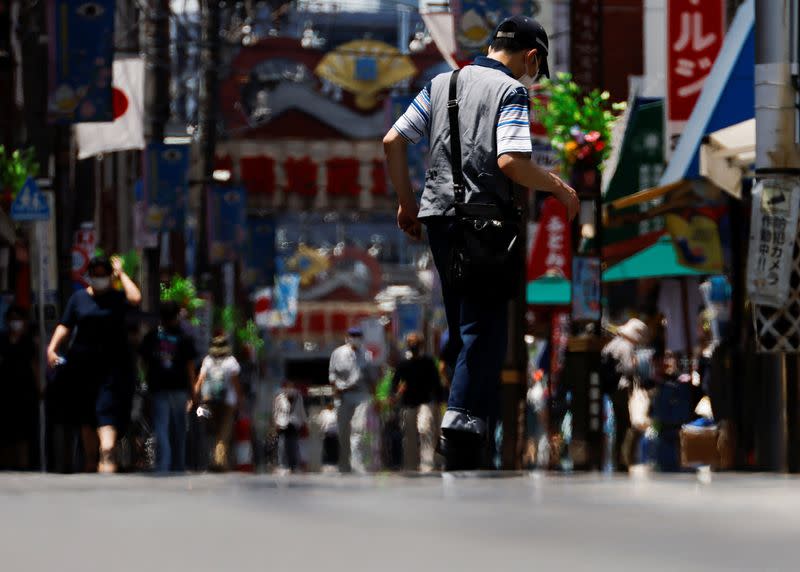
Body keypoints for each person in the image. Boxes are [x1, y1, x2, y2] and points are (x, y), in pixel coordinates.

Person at [383, 16, 579, 469]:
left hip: (438, 219)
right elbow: (511, 161)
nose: (531, 76)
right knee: (484, 326)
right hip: (486, 223)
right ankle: (463, 423)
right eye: (535, 67)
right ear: (532, 56)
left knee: (460, 319)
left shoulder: (440, 84)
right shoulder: (511, 91)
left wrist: (407, 204)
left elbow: (392, 140)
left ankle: (463, 426)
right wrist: (559, 188)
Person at [46, 255, 141, 473]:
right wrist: (52, 348)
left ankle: (107, 457)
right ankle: (91, 463)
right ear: (89, 276)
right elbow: (65, 325)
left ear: (110, 276)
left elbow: (136, 298)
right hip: (83, 369)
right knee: (87, 418)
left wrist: (121, 274)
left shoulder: (118, 298)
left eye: (103, 275)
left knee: (106, 413)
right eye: (95, 275)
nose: (99, 279)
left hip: (113, 369)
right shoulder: (78, 299)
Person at [139, 301, 197, 473]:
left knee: (161, 427)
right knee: (179, 428)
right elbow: (190, 366)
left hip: (158, 387)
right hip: (179, 388)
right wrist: (193, 392)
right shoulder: (184, 338)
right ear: (177, 315)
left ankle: (163, 464)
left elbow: (144, 361)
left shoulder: (151, 337)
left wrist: (148, 377)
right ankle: (178, 464)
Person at [600, 318, 649, 471]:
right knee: (625, 424)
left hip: (611, 388)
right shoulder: (627, 346)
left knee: (618, 423)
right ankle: (622, 459)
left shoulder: (612, 344)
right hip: (621, 388)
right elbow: (628, 368)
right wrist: (635, 366)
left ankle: (617, 458)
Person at [392, 332, 441, 472]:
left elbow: (436, 383)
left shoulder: (428, 362)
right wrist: (396, 392)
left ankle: (427, 463)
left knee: (425, 429)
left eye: (415, 342)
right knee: (409, 435)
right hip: (408, 403)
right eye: (410, 342)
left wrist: (438, 401)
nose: (413, 345)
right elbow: (395, 382)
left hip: (425, 402)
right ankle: (410, 465)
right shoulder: (403, 363)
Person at [194, 335, 243, 471]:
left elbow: (200, 380)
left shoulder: (208, 360)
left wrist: (194, 397)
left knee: (213, 432)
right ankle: (219, 462)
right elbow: (235, 382)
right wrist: (240, 400)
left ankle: (215, 460)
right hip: (228, 402)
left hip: (209, 401)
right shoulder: (231, 361)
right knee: (223, 433)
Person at [329, 327, 375, 473]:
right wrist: (336, 389)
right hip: (343, 396)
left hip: (361, 394)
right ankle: (344, 463)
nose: (355, 338)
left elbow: (371, 378)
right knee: (343, 432)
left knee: (358, 429)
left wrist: (375, 398)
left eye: (358, 335)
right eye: (353, 335)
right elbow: (332, 375)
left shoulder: (367, 355)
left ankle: (357, 463)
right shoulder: (338, 353)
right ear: (348, 336)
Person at [0, 306, 39, 470]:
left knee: (23, 430)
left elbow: (34, 365)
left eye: (19, 319)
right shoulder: (2, 340)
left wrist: (40, 386)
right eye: (12, 319)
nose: (15, 323)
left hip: (25, 390)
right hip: (5, 389)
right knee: (5, 430)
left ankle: (23, 465)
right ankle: (7, 465)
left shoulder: (29, 341)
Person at [273, 381, 307, 473]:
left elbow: (301, 410)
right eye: (288, 387)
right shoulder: (280, 397)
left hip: (294, 423)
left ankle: (293, 465)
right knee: (282, 444)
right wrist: (275, 423)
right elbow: (276, 411)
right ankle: (282, 464)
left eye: (291, 387)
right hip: (282, 423)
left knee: (293, 444)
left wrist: (304, 422)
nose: (290, 389)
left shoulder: (298, 397)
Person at [317, 402, 339, 470]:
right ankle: (326, 462)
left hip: (335, 434)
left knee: (334, 449)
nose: (330, 405)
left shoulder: (336, 412)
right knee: (326, 449)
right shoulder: (324, 412)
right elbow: (320, 422)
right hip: (327, 433)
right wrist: (320, 431)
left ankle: (334, 462)